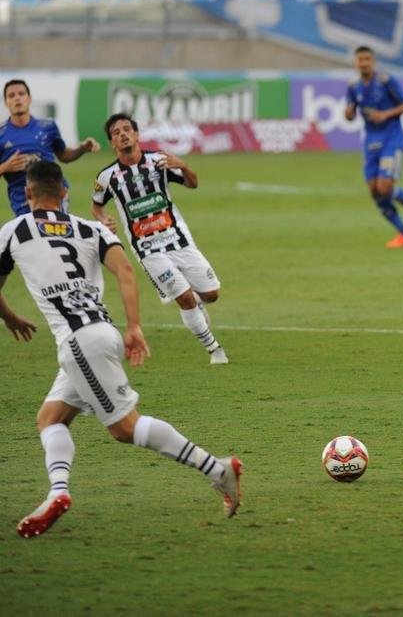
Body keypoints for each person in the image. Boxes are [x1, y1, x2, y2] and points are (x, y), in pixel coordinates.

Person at [0, 160, 242, 538]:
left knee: (124, 429)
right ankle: (57, 493)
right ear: (64, 192)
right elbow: (126, 271)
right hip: (103, 332)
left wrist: (10, 317)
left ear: (27, 193)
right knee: (50, 418)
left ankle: (218, 469)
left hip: (79, 342)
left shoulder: (13, 231)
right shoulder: (91, 229)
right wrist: (133, 327)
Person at [91, 113, 229, 364]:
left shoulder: (159, 161)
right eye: (116, 133)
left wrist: (183, 165)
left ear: (136, 134)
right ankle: (214, 349)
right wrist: (103, 219)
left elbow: (193, 184)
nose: (122, 134)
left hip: (178, 239)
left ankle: (199, 303)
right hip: (146, 248)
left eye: (126, 129)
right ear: (112, 142)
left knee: (212, 294)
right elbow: (96, 205)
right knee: (184, 298)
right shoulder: (106, 177)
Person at [344, 46, 403, 248]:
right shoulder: (353, 86)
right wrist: (348, 114)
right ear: (355, 63)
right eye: (360, 60)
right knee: (374, 191)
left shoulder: (385, 81)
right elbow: (349, 114)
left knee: (385, 186)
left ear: (373, 61)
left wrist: (385, 115)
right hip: (370, 141)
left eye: (367, 59)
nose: (364, 63)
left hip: (391, 138)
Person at [0, 78, 100, 216]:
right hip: (22, 201)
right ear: (6, 102)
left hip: (53, 194)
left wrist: (83, 148)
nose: (17, 98)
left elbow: (64, 156)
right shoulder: (1, 134)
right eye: (11, 95)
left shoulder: (48, 127)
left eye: (21, 94)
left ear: (29, 99)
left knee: (59, 236)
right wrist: (5, 167)